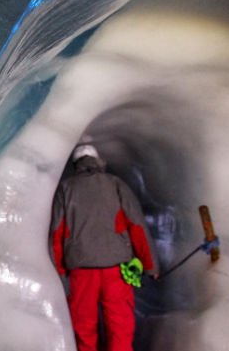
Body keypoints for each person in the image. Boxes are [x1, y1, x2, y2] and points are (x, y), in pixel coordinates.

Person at [49, 144, 159, 351]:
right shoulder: (116, 184)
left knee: (85, 331)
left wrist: (60, 273)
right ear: (98, 160)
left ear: (76, 164)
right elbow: (136, 226)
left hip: (81, 273)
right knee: (120, 329)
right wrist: (150, 265)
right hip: (115, 271)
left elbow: (57, 234)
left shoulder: (66, 188)